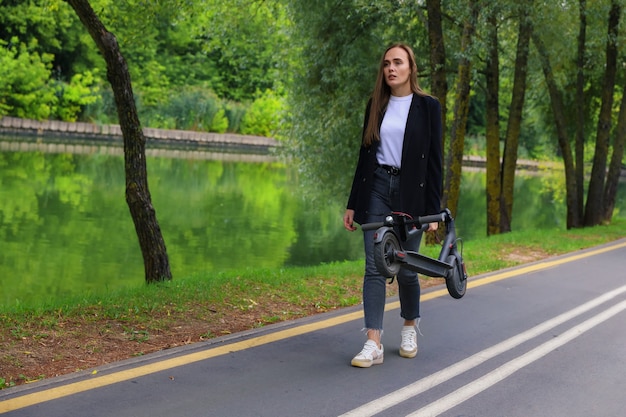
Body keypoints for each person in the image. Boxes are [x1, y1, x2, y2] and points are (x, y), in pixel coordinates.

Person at [343, 43, 443, 368]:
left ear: (411, 67)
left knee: (406, 267)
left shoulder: (428, 107)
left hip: (411, 193)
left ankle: (410, 326)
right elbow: (364, 157)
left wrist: (433, 210)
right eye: (386, 63)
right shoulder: (376, 105)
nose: (391, 68)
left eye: (397, 62)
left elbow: (435, 163)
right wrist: (353, 205)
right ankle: (373, 342)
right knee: (374, 266)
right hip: (377, 188)